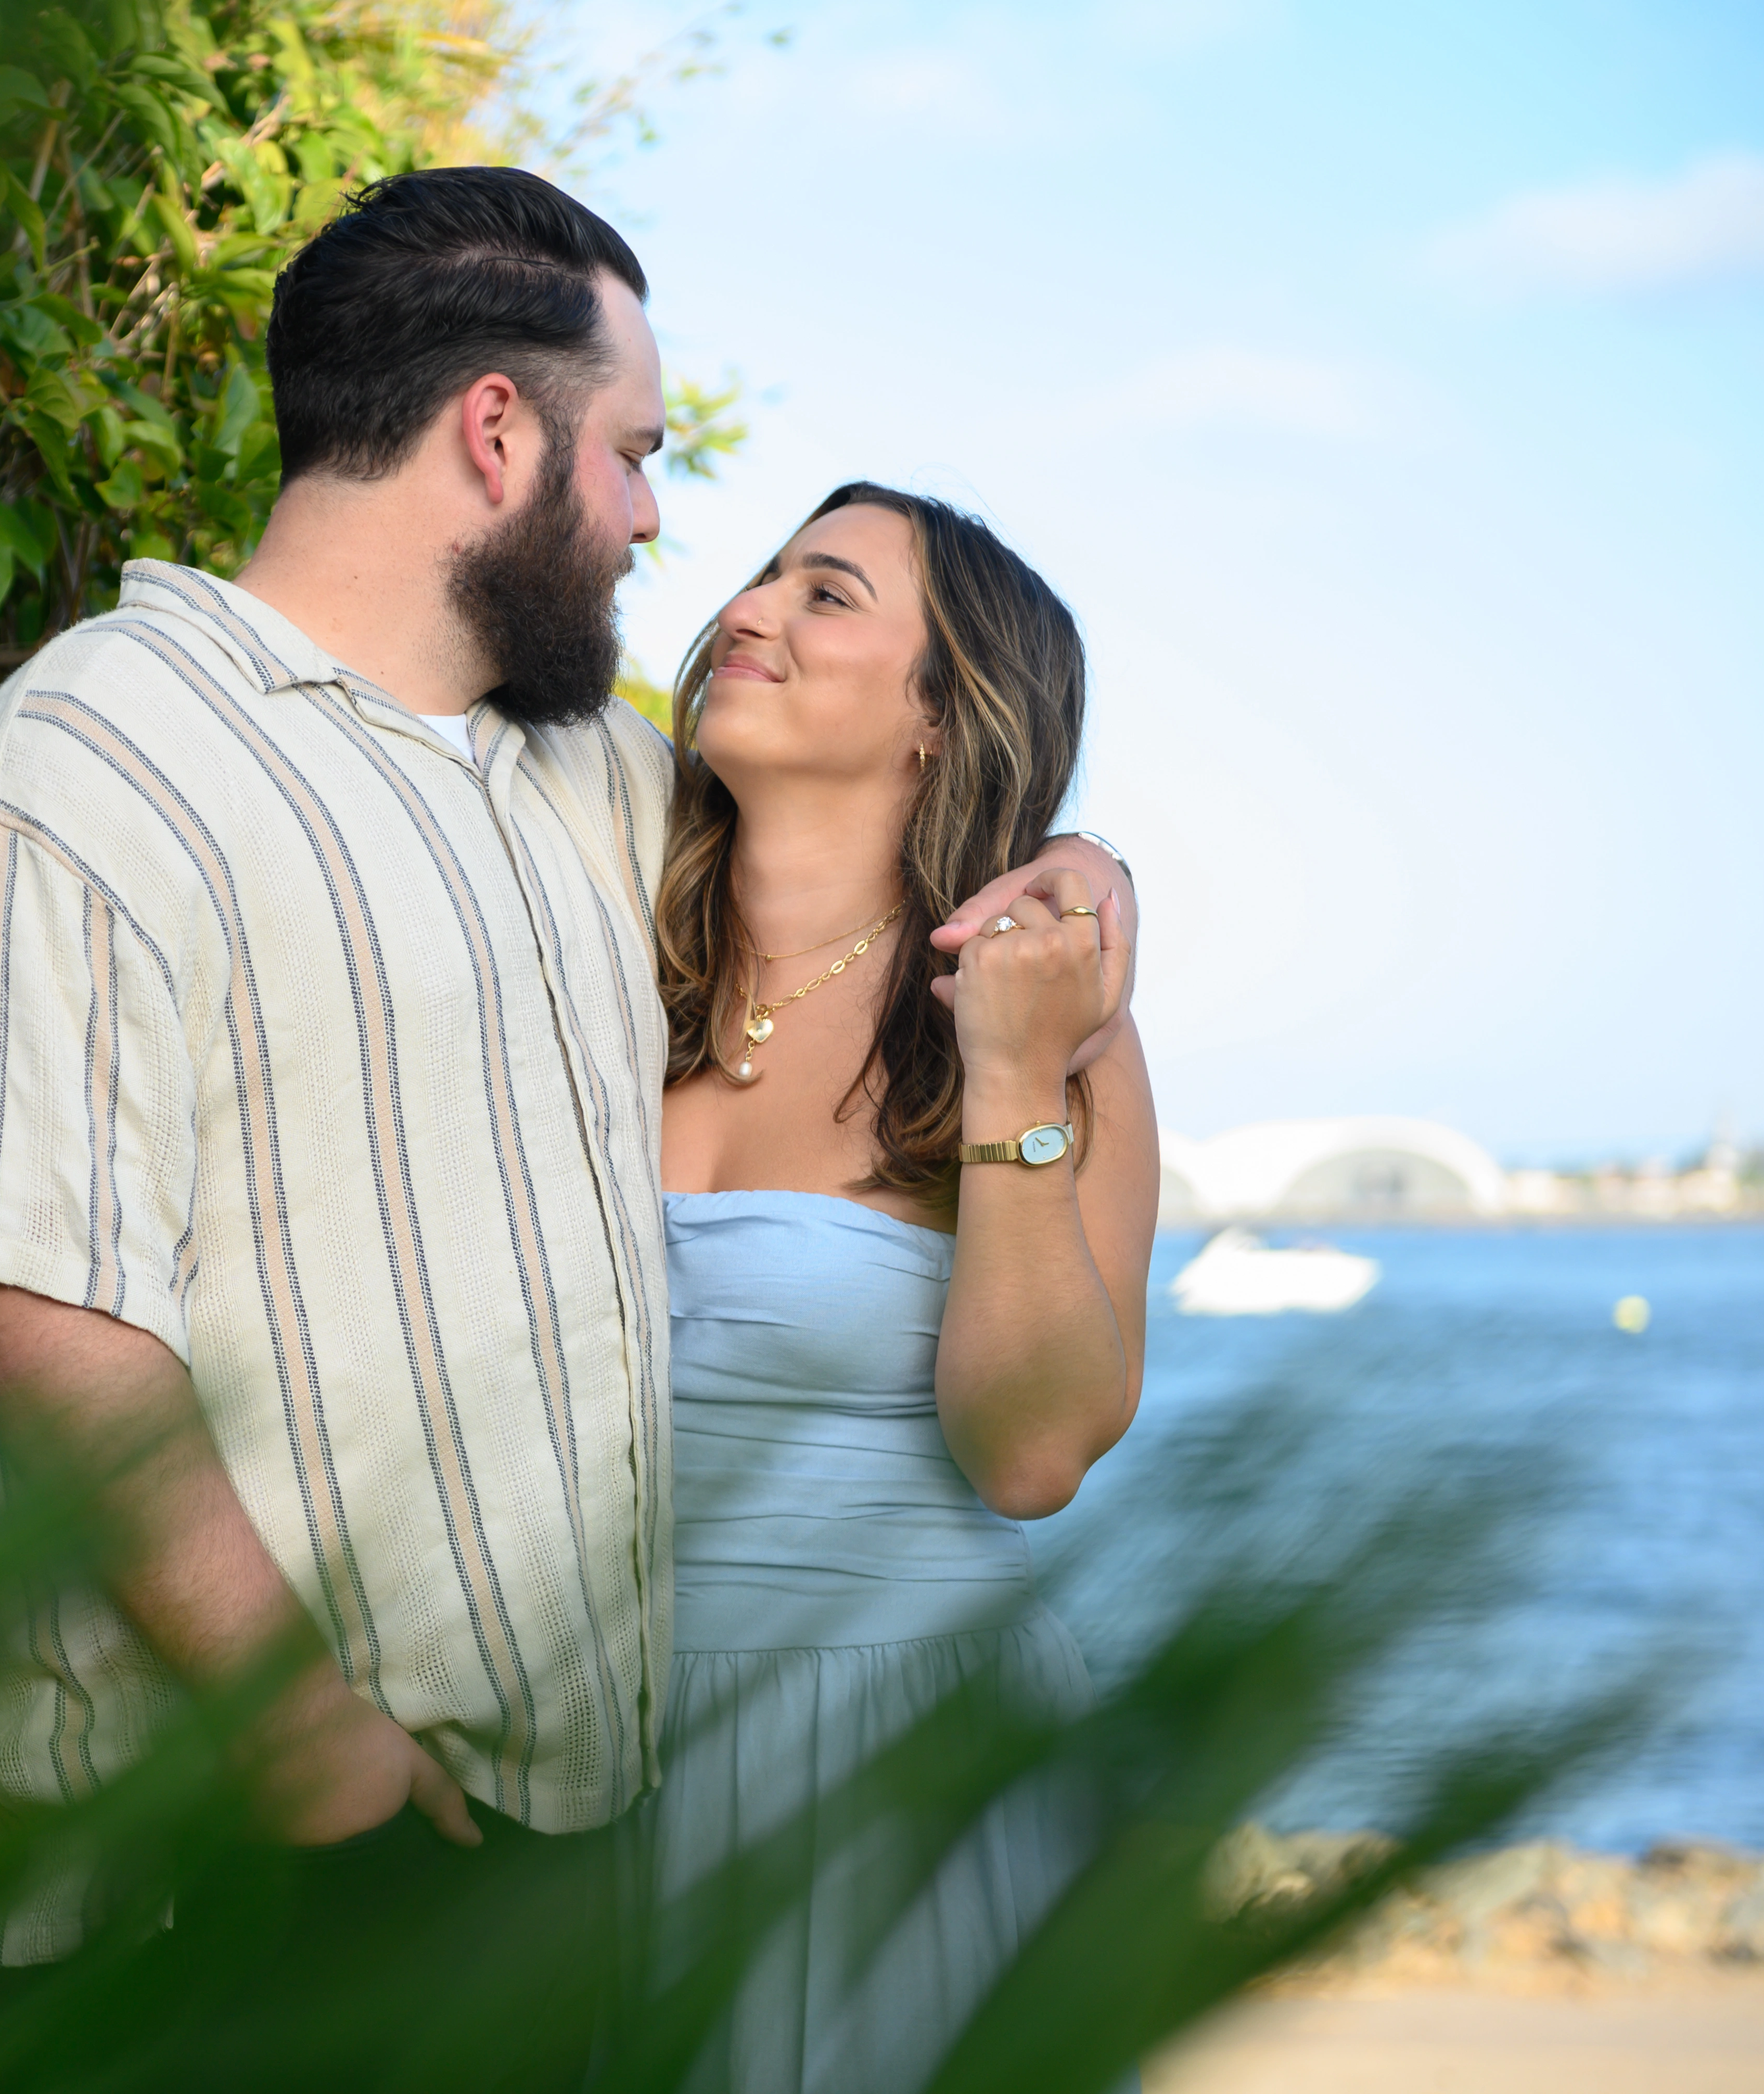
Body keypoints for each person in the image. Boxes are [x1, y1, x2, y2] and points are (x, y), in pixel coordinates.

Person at [0, 167, 1133, 2041]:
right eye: (629, 454)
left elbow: (862, 860)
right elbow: (28, 1302)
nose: (658, 521)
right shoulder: (94, 756)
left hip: (549, 1847)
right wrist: (304, 1736)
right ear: (496, 434)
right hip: (210, 1846)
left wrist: (1083, 872)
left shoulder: (580, 787)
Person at [643, 484, 1157, 2094]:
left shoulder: (1056, 1026)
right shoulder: (586, 934)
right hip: (577, 1743)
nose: (749, 610)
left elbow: (1033, 1457)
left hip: (899, 1765)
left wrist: (1011, 1069)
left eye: (828, 595)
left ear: (943, 719)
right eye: (763, 576)